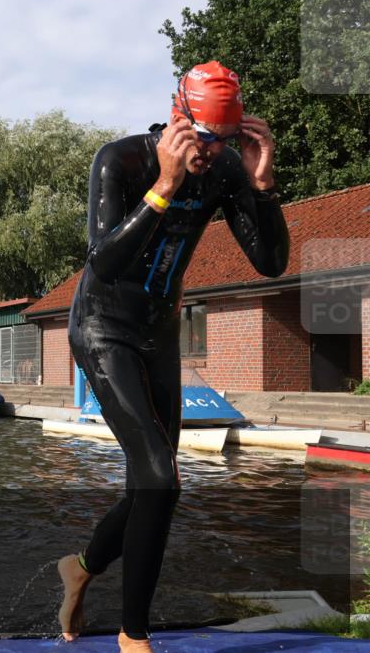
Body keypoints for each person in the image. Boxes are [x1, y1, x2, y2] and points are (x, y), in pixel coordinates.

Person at [57, 61, 288, 652]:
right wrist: (163, 185)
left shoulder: (225, 173)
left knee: (148, 487)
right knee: (162, 478)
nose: (210, 153)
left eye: (224, 140)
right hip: (103, 329)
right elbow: (103, 262)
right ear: (177, 114)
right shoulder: (122, 161)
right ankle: (134, 637)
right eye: (203, 137)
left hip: (159, 336)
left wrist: (262, 187)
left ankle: (81, 567)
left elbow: (271, 262)